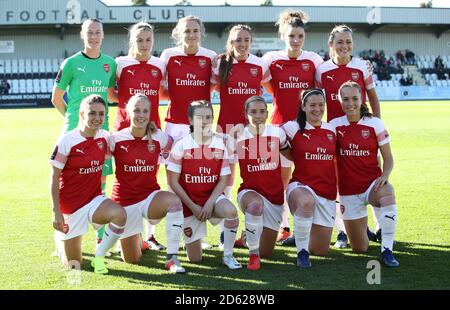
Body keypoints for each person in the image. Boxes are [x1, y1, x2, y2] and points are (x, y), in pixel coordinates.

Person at [51, 18, 117, 246]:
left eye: (97, 32)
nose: (93, 37)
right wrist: (73, 122)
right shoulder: (70, 63)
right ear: (83, 35)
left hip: (101, 133)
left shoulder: (110, 63)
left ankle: (100, 238)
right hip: (75, 131)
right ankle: (64, 233)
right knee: (68, 184)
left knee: (100, 181)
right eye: (89, 32)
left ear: (103, 35)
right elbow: (56, 98)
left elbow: (110, 95)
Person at [315, 24, 381, 248]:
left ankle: (377, 227)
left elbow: (372, 96)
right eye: (340, 42)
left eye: (348, 42)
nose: (345, 46)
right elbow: (316, 101)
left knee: (371, 176)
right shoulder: (321, 70)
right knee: (340, 183)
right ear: (331, 44)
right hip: (336, 136)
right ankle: (343, 232)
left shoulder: (362, 66)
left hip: (363, 134)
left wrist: (376, 127)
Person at [262, 10, 324, 244]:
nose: (296, 40)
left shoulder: (314, 60)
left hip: (305, 131)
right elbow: (269, 87)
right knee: (281, 181)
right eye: (291, 36)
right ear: (283, 35)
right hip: (279, 128)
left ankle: (319, 227)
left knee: (308, 178)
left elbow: (318, 91)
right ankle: (283, 227)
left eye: (300, 36)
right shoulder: (271, 59)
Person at [50, 95, 126, 274]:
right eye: (92, 113)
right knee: (74, 264)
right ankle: (61, 241)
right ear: (82, 113)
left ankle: (99, 256)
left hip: (94, 200)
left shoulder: (105, 137)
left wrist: (150, 130)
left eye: (101, 114)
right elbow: (54, 177)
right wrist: (56, 211)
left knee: (119, 215)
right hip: (70, 207)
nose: (97, 118)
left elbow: (129, 135)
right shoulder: (66, 141)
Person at [109, 94, 185, 272]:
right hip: (125, 202)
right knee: (133, 260)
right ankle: (136, 239)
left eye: (145, 111)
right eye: (136, 110)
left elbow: (176, 149)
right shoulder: (115, 139)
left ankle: (172, 258)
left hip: (150, 197)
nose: (141, 115)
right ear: (128, 112)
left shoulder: (160, 138)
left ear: (150, 114)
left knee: (174, 202)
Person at [330, 81, 399, 267]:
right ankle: (362, 229)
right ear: (339, 100)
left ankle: (387, 250)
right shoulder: (334, 126)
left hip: (371, 186)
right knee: (360, 248)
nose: (350, 103)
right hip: (347, 192)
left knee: (387, 192)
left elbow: (388, 157)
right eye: (345, 99)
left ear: (362, 99)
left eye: (354, 98)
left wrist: (385, 175)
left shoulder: (375, 123)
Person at [212, 24, 269, 246]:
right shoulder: (221, 63)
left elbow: (268, 91)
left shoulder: (259, 65)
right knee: (226, 179)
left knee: (253, 178)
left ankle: (249, 231)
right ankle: (226, 230)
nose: (242, 44)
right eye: (238, 40)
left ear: (251, 42)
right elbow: (212, 90)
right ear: (231, 42)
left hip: (251, 133)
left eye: (246, 39)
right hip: (226, 131)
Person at [167, 100, 242, 269]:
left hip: (212, 200)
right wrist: (193, 206)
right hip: (189, 204)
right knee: (195, 260)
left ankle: (228, 255)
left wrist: (209, 203)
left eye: (209, 117)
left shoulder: (219, 144)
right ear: (191, 120)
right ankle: (190, 241)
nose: (205, 121)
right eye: (200, 117)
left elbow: (224, 179)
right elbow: (173, 181)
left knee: (231, 211)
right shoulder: (181, 145)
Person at [115, 22, 167, 251]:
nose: (144, 44)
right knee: (123, 180)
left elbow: (164, 93)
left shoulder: (159, 64)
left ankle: (150, 235)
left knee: (150, 179)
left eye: (148, 40)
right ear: (132, 42)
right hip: (125, 131)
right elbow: (112, 94)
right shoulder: (121, 64)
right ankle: (120, 233)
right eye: (139, 40)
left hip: (151, 134)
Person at [229, 96, 288, 270]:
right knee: (255, 206)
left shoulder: (278, 133)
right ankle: (253, 256)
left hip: (274, 197)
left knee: (267, 252)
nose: (258, 116)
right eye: (253, 112)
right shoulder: (238, 136)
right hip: (249, 193)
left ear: (267, 113)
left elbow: (290, 158)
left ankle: (248, 237)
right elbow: (222, 161)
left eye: (262, 111)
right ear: (246, 114)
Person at [281, 89, 337, 267]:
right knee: (306, 203)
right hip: (301, 187)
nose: (317, 109)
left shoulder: (332, 129)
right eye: (312, 105)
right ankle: (302, 252)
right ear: (303, 106)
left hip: (326, 192)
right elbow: (273, 138)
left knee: (321, 250)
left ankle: (301, 232)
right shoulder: (292, 127)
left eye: (321, 105)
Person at [160, 15, 217, 143]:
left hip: (201, 122)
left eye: (195, 31)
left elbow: (212, 86)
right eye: (187, 31)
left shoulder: (210, 56)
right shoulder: (168, 55)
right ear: (180, 33)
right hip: (175, 122)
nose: (192, 34)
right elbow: (160, 87)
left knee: (200, 162)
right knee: (172, 162)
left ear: (200, 33)